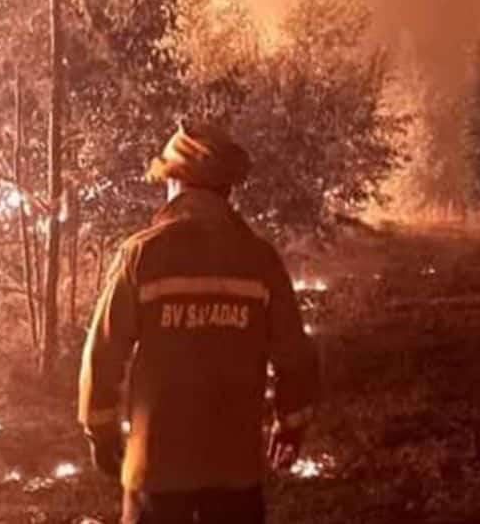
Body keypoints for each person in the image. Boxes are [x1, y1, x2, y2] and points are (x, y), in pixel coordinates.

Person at [77, 122, 322, 524]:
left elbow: (103, 353)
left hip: (156, 468)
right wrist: (291, 425)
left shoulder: (141, 255)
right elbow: (294, 356)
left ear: (175, 181)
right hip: (236, 470)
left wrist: (101, 432)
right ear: (228, 189)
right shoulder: (261, 260)